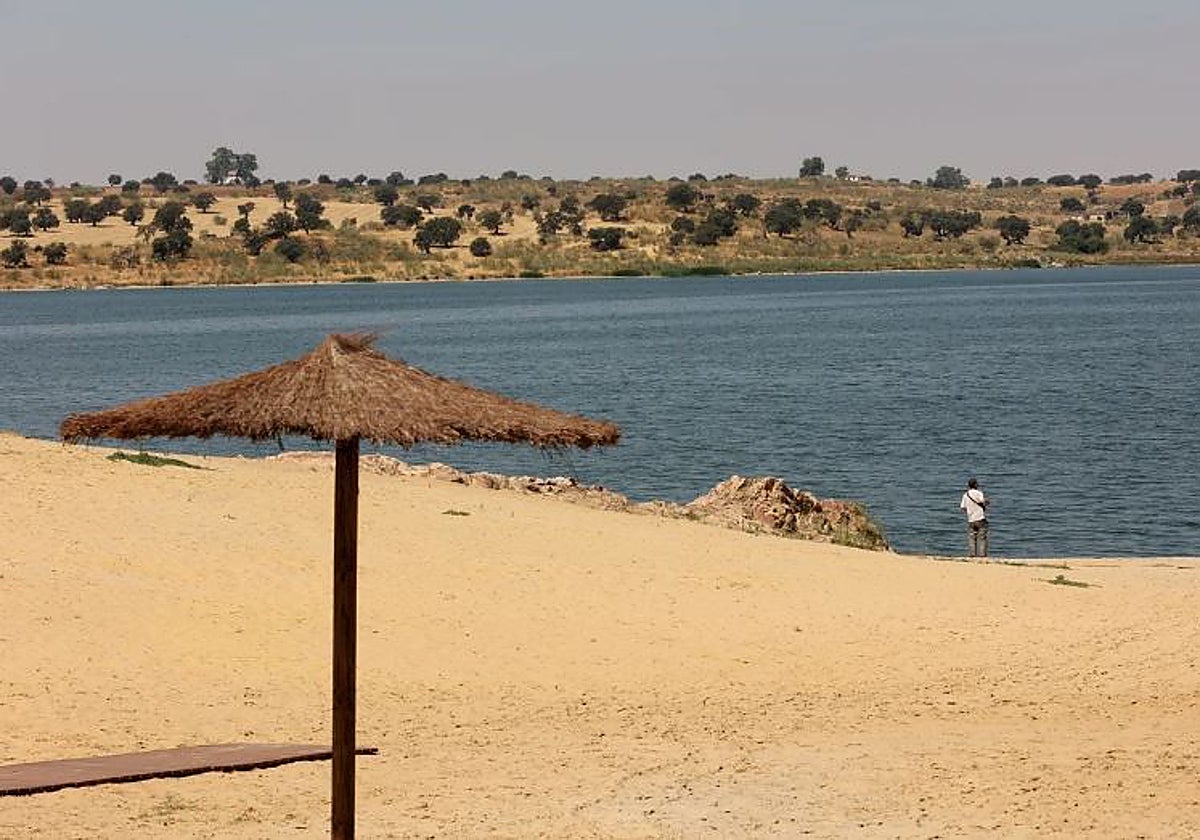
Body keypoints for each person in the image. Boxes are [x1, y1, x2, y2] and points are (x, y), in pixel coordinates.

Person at [959, 478, 989, 557]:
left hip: (971, 519)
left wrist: (969, 511)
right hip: (980, 517)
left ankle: (972, 554)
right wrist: (987, 502)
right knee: (982, 538)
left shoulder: (965, 495)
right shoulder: (979, 493)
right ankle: (982, 555)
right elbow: (983, 501)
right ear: (975, 485)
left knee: (972, 538)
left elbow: (963, 507)